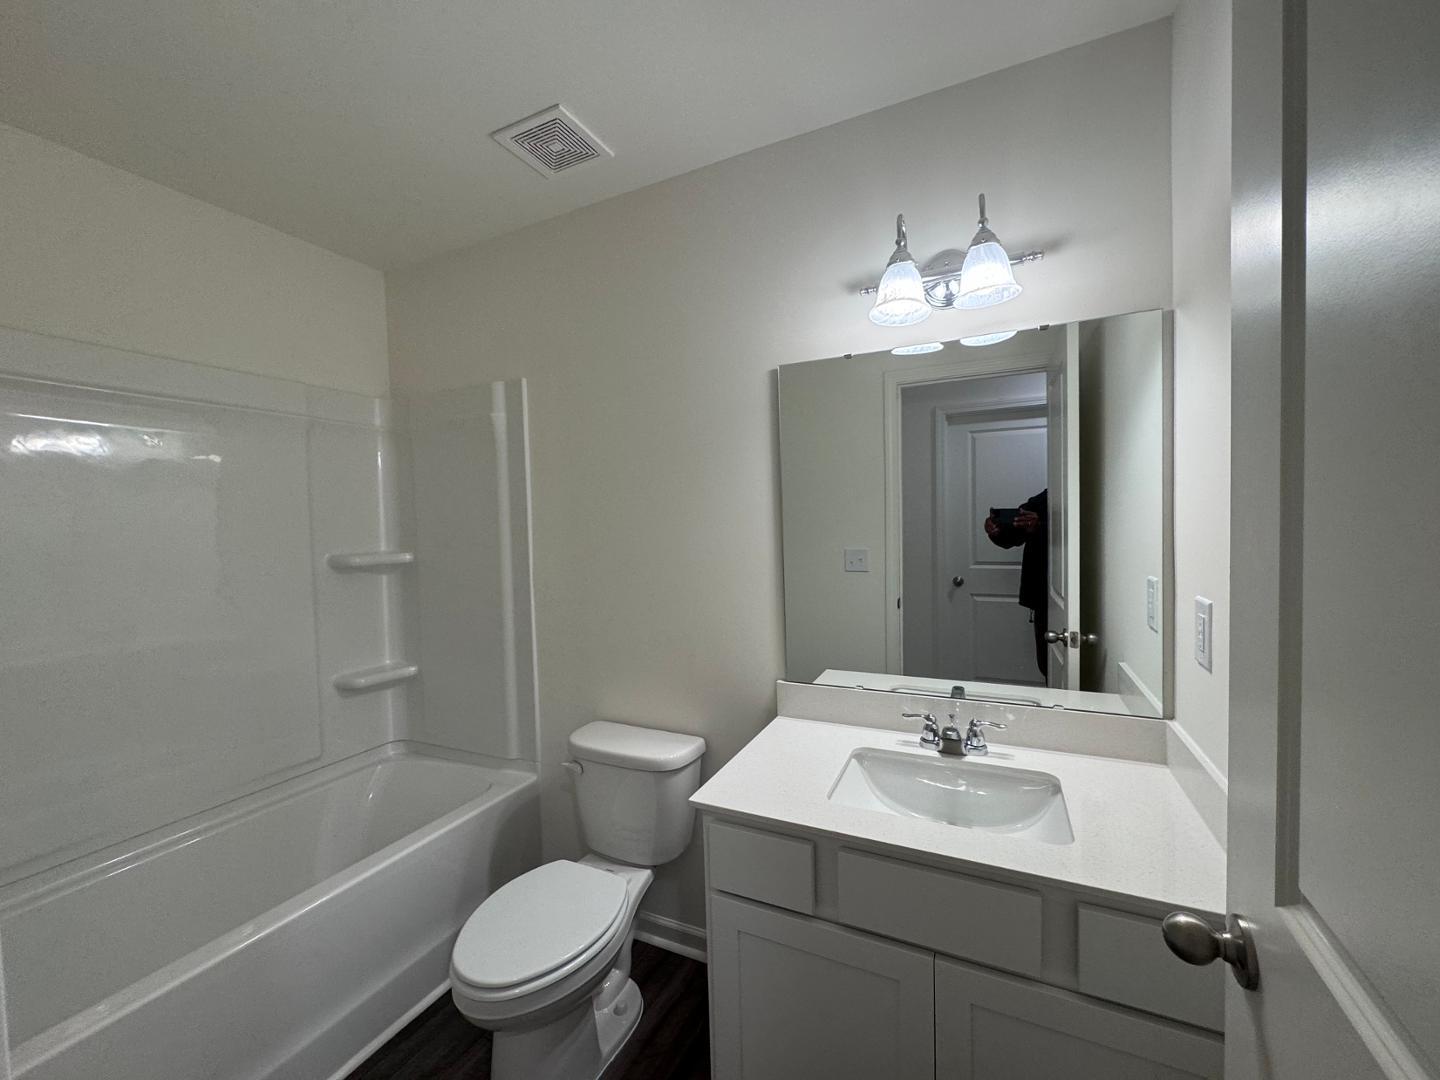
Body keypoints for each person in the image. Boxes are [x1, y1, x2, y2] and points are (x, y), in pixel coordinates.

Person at [984, 490, 1049, 679]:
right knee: (1047, 663)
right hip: (1042, 595)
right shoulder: (1044, 498)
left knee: (1055, 665)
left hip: (1063, 593)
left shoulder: (1077, 497)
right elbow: (1013, 533)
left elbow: (1073, 532)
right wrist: (996, 531)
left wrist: (1041, 526)